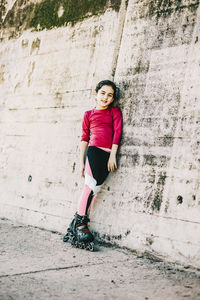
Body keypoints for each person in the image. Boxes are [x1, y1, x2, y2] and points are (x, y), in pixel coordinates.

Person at [63, 80, 123, 250]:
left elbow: (117, 132)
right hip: (94, 152)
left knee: (95, 190)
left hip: (107, 156)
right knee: (89, 187)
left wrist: (113, 155)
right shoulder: (88, 114)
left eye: (109, 95)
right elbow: (84, 138)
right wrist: (82, 162)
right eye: (102, 93)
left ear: (112, 99)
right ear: (95, 93)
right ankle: (80, 223)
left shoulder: (114, 112)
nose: (105, 97)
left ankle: (78, 221)